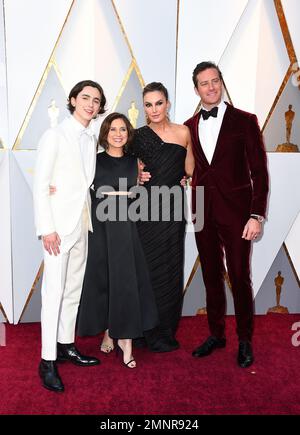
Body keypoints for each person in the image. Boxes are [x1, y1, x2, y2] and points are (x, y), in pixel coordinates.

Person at [184, 61, 269, 368]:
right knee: (210, 276)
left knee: (239, 276)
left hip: (237, 212)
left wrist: (256, 215)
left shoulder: (245, 120)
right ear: (196, 89)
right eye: (205, 83)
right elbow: (184, 167)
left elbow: (259, 171)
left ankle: (244, 340)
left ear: (221, 83)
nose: (211, 87)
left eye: (215, 81)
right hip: (203, 209)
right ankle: (216, 334)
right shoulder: (189, 126)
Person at [33, 80, 106, 392]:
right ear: (73, 100)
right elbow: (41, 185)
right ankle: (47, 360)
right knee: (53, 292)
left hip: (82, 225)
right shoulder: (54, 135)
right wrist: (46, 227)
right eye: (85, 98)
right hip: (57, 230)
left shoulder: (91, 139)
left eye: (96, 100)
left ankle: (66, 344)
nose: (91, 104)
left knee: (73, 290)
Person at [76, 112, 158, 368]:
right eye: (113, 129)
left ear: (128, 133)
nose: (118, 134)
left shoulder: (136, 163)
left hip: (126, 229)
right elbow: (78, 186)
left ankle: (127, 340)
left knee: (126, 282)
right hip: (101, 228)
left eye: (123, 129)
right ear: (105, 134)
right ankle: (109, 331)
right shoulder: (94, 161)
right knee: (105, 280)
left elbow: (142, 195)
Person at [129, 82, 194, 352]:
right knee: (145, 267)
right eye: (148, 104)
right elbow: (128, 170)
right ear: (143, 108)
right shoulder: (137, 135)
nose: (154, 109)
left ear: (167, 103)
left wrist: (186, 178)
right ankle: (143, 329)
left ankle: (165, 330)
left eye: (159, 103)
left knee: (169, 266)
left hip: (172, 208)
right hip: (145, 209)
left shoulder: (184, 132)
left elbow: (190, 168)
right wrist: (137, 175)